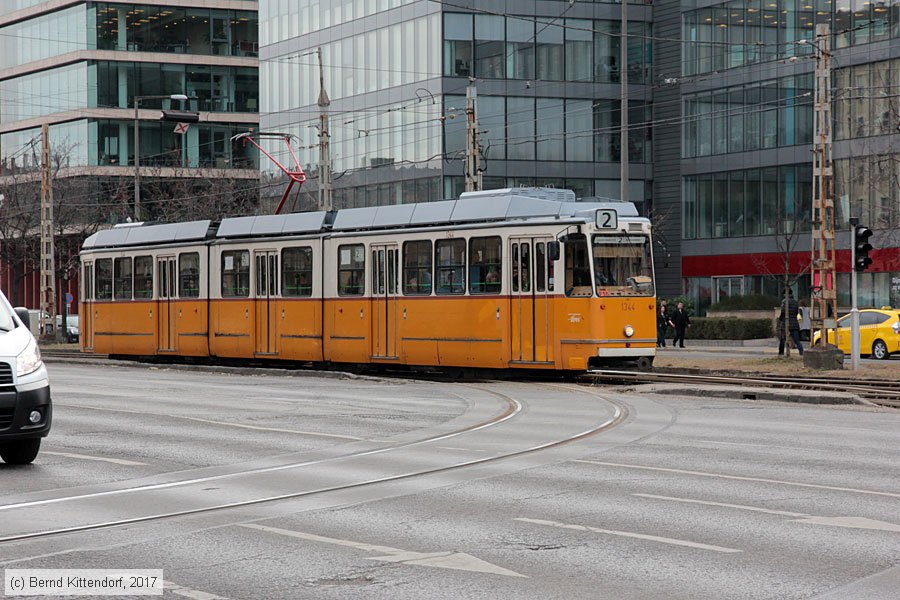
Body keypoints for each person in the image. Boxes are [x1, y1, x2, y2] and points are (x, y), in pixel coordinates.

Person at [778, 289, 803, 356]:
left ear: (785, 294)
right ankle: (802, 353)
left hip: (785, 323)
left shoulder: (784, 301)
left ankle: (781, 353)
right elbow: (797, 312)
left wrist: (780, 319)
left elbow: (783, 311)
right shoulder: (796, 302)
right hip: (794, 323)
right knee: (797, 340)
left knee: (782, 339)